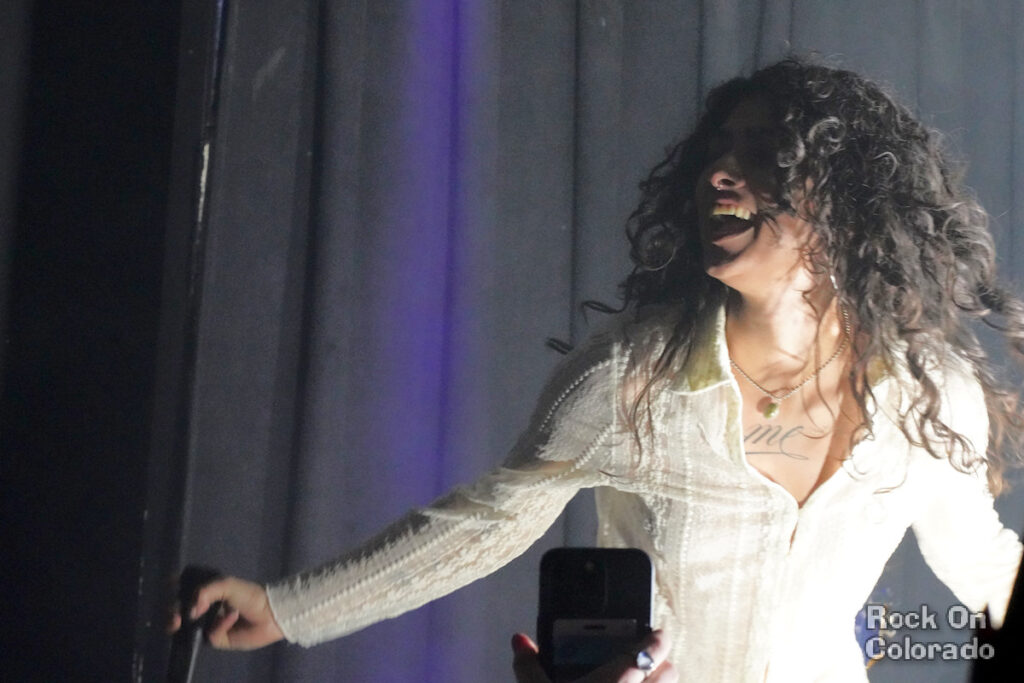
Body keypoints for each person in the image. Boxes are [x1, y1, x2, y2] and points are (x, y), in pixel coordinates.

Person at [170, 58, 1024, 681]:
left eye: (764, 151)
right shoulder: (633, 376)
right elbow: (480, 525)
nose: (719, 173)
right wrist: (286, 607)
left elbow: (986, 569)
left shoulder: (929, 395)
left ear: (843, 194)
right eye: (718, 149)